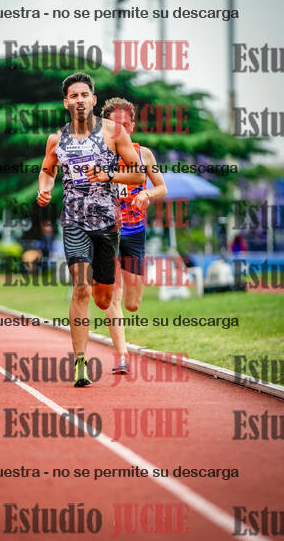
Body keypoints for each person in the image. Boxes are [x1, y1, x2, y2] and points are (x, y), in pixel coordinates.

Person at [37, 73, 144, 387]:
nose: (80, 100)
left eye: (85, 94)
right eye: (74, 96)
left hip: (107, 223)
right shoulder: (57, 139)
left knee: (103, 298)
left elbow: (138, 175)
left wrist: (108, 175)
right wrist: (45, 188)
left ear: (94, 100)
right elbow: (47, 170)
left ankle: (102, 290)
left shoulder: (114, 132)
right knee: (81, 288)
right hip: (74, 221)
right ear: (66, 103)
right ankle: (80, 363)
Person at [101, 97, 167, 374]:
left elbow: (162, 187)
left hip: (135, 231)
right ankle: (122, 357)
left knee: (132, 304)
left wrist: (146, 193)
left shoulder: (144, 154)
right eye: (115, 125)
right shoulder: (99, 154)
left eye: (126, 124)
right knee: (112, 297)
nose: (121, 129)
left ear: (133, 126)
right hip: (106, 231)